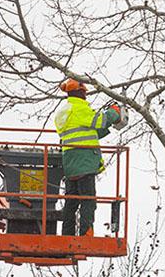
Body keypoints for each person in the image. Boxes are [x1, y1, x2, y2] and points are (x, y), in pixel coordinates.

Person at [54, 78, 121, 236]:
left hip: (71, 162)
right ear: (80, 92)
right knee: (88, 200)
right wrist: (114, 113)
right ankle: (86, 233)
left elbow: (86, 132)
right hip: (85, 161)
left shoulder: (64, 111)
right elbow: (99, 120)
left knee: (71, 202)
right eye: (84, 92)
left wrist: (107, 127)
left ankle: (67, 235)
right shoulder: (79, 108)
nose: (86, 96)